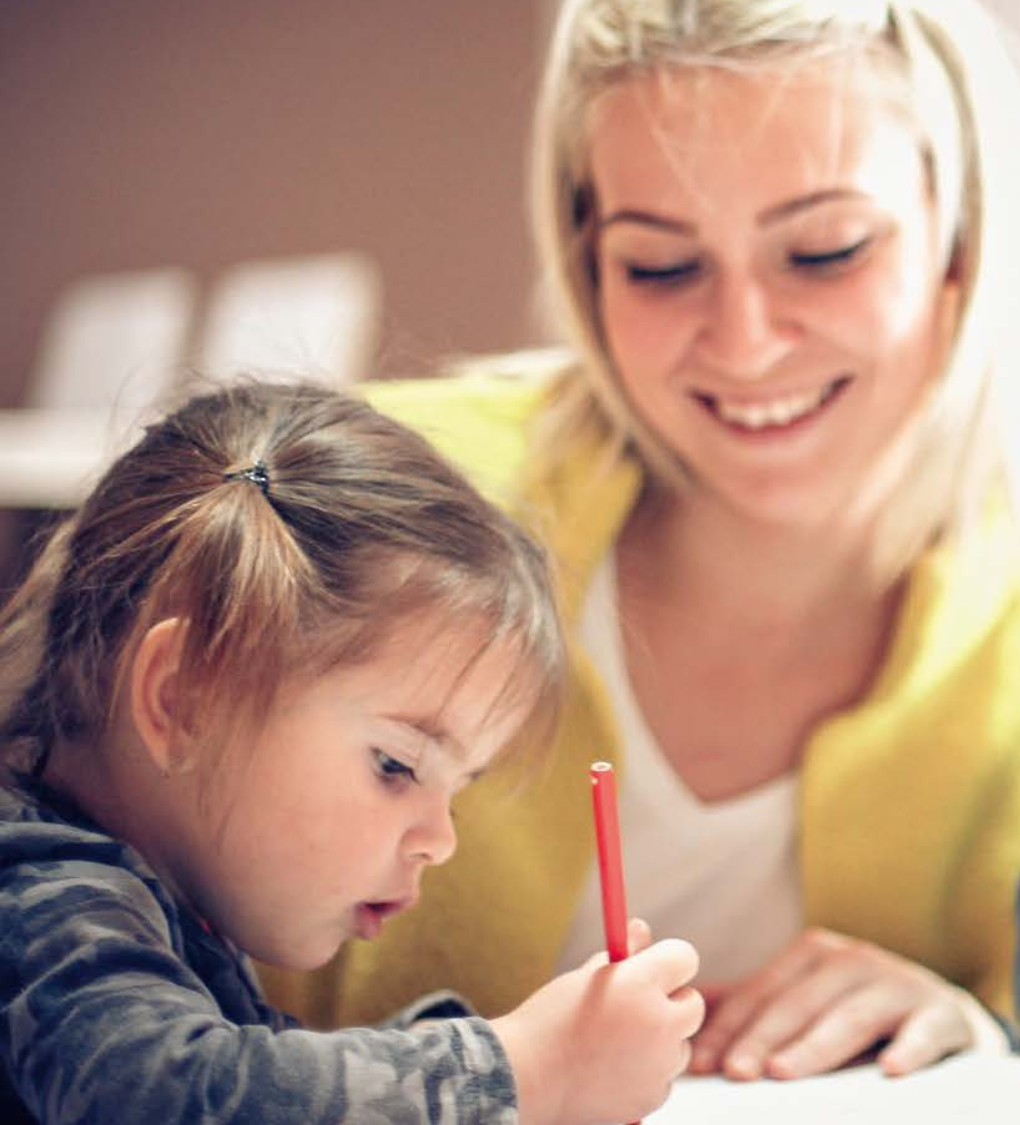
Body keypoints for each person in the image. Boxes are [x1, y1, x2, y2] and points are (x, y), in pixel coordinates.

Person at [259, 0, 1020, 1083]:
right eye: (661, 267)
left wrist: (978, 1030)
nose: (744, 342)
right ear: (587, 266)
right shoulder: (352, 507)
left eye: (823, 252)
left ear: (958, 241)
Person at [0, 381, 706, 1125]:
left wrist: (558, 1049)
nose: (441, 841)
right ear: (184, 697)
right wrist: (525, 1069)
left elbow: (263, 1081)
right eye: (396, 765)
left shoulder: (159, 903)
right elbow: (169, 1098)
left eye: (457, 790)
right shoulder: (39, 890)